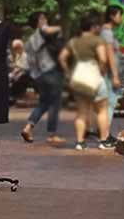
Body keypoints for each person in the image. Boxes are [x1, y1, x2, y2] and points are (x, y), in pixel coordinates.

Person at [62, 10, 114, 150]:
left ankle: (80, 142)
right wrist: (101, 71)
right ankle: (103, 141)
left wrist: (68, 72)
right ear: (93, 27)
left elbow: (62, 57)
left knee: (81, 112)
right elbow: (103, 59)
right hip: (95, 77)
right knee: (102, 110)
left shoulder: (73, 41)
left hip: (79, 78)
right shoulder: (97, 40)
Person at [21, 12, 65, 145]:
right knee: (55, 102)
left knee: (44, 102)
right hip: (49, 71)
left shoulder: (29, 41)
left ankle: (28, 128)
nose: (45, 20)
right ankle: (52, 134)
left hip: (37, 75)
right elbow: (49, 29)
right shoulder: (40, 33)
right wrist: (59, 28)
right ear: (37, 22)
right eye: (42, 18)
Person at [100, 5, 124, 143]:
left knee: (109, 103)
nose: (121, 18)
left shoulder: (108, 32)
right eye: (120, 15)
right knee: (109, 103)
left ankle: (105, 132)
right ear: (112, 16)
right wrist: (115, 75)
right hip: (108, 74)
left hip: (109, 73)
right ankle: (105, 134)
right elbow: (109, 54)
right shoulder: (107, 33)